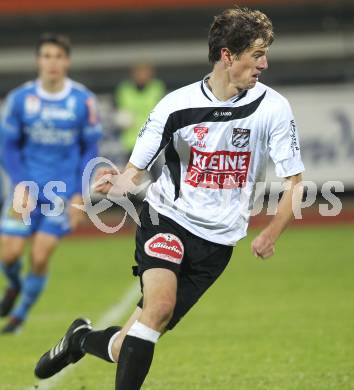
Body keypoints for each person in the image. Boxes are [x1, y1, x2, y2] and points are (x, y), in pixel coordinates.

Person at [34, 7, 304, 389]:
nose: (265, 62)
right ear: (228, 55)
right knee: (158, 308)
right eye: (257, 54)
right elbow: (136, 170)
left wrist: (271, 233)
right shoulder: (175, 106)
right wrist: (117, 183)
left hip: (218, 243)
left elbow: (296, 181)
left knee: (127, 342)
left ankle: (78, 339)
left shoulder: (273, 108)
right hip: (167, 219)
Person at [0, 33, 102, 333]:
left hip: (61, 194)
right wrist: (20, 184)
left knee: (41, 254)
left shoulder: (83, 101)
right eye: (46, 56)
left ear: (67, 61)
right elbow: (7, 147)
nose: (52, 63)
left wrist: (80, 195)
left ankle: (19, 316)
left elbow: (90, 150)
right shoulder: (21, 99)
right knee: (9, 253)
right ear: (38, 60)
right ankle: (15, 285)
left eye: (58, 57)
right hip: (25, 190)